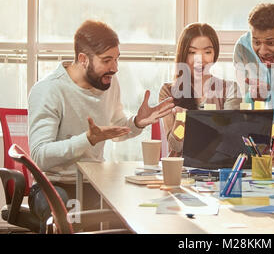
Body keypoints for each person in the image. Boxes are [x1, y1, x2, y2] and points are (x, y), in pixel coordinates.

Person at [27, 20, 174, 232]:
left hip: (93, 184)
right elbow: (40, 155)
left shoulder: (108, 83)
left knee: (130, 215)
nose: (114, 68)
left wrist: (136, 123)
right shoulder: (49, 90)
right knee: (63, 214)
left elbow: (114, 130)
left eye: (116, 59)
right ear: (83, 59)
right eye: (107, 61)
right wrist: (87, 139)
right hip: (53, 186)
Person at [159, 23, 241, 155]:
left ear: (215, 54)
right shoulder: (168, 91)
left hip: (218, 170)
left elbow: (229, 140)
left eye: (207, 52)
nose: (200, 59)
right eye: (192, 52)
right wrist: (181, 120)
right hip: (181, 171)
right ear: (183, 54)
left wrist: (194, 123)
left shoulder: (230, 90)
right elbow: (176, 146)